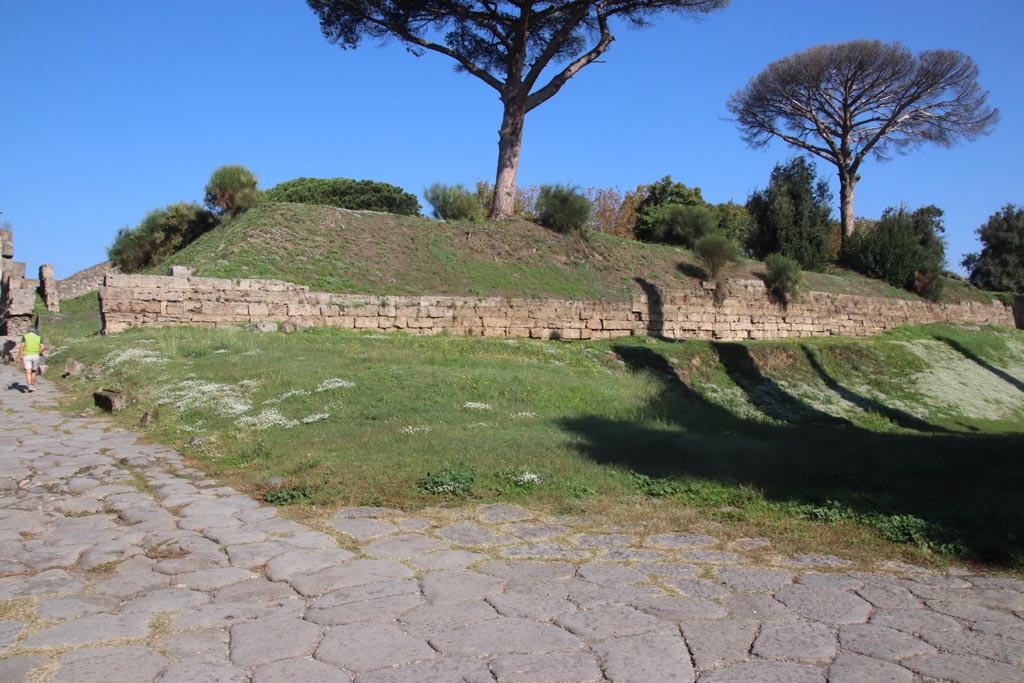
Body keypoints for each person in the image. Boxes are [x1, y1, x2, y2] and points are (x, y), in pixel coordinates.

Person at [14, 328, 45, 392]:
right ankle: (32, 386)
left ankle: (29, 385)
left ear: (28, 331)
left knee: (28, 371)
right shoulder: (38, 337)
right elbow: (42, 348)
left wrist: (19, 356)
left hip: (27, 355)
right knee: (33, 371)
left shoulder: (25, 337)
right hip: (35, 355)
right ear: (34, 331)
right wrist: (39, 352)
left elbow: (22, 346)